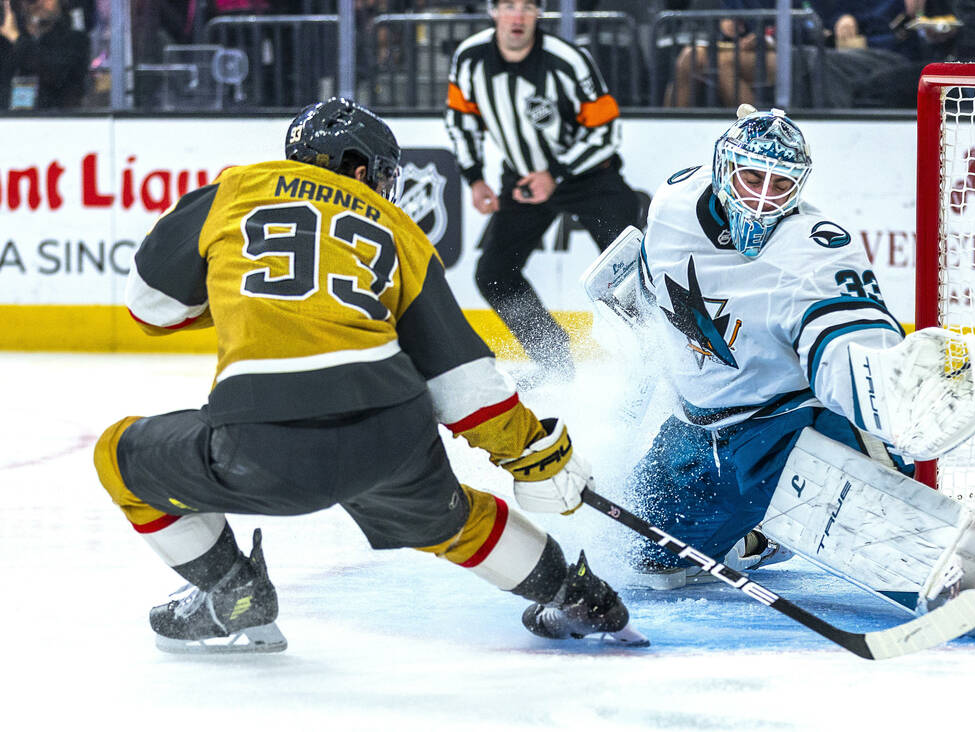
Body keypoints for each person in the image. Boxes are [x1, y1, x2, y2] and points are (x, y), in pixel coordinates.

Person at [93, 97, 646, 653]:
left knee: (118, 456)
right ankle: (580, 597)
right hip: (390, 431)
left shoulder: (236, 189)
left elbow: (150, 307)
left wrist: (238, 291)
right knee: (455, 520)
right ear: (359, 169)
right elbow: (462, 379)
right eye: (382, 174)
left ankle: (234, 591)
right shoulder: (400, 228)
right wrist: (533, 455)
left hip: (263, 437)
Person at [586, 106, 975, 628]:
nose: (764, 198)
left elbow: (847, 338)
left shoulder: (815, 250)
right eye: (751, 177)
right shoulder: (673, 199)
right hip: (695, 434)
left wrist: (889, 393)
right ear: (722, 168)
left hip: (782, 430)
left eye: (781, 183)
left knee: (880, 510)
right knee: (645, 561)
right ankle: (754, 536)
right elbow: (650, 275)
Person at [444, 0, 642, 386]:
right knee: (494, 275)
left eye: (527, 7)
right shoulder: (470, 59)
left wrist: (556, 173)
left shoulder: (566, 60)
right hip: (523, 178)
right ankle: (554, 361)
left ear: (539, 13)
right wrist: (474, 177)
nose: (517, 17)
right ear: (493, 11)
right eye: (509, 6)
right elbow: (461, 120)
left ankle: (653, 360)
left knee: (628, 273)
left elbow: (605, 131)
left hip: (590, 179)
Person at [0, 0, 90, 109]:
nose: (40, 3)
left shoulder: (76, 40)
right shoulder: (6, 40)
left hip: (55, 120)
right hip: (8, 120)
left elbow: (55, 72)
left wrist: (16, 38)